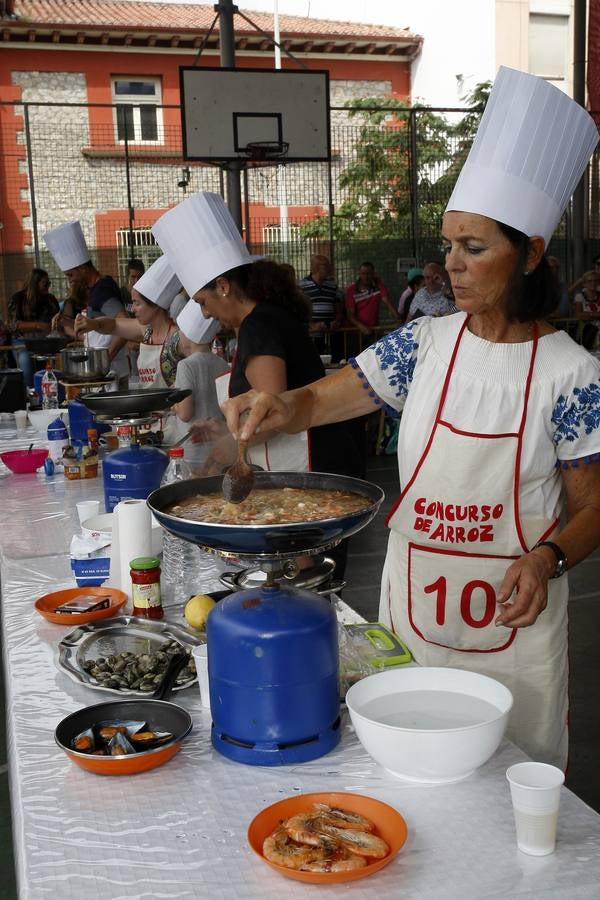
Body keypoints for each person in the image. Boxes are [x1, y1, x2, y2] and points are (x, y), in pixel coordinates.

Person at [220, 67, 600, 769]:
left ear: (533, 254)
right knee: (404, 764)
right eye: (450, 245)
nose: (451, 264)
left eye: (475, 247)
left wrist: (547, 559)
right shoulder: (423, 345)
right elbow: (317, 399)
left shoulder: (570, 374)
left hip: (514, 625)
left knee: (508, 777)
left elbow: (592, 508)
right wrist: (279, 404)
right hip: (415, 607)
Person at [152, 192, 365, 577]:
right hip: (316, 459)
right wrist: (219, 428)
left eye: (202, 300)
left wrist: (223, 451)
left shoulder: (259, 325)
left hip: (313, 463)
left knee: (307, 581)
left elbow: (271, 412)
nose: (204, 312)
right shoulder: (267, 318)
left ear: (223, 286)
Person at [73, 255, 198, 389]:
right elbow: (114, 324)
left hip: (172, 409)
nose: (132, 309)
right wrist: (92, 324)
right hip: (148, 408)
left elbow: (198, 370)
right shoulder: (145, 330)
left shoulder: (177, 338)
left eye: (137, 303)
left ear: (155, 305)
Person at [44, 221, 129, 378]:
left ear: (83, 269)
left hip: (112, 373)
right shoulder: (94, 289)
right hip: (106, 372)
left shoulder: (103, 290)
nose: (70, 281)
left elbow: (124, 325)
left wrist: (106, 359)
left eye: (71, 275)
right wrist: (65, 322)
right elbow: (97, 331)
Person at [8, 268, 59, 386]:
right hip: (23, 343)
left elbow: (57, 319)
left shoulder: (50, 299)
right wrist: (38, 325)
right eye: (45, 284)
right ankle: (30, 397)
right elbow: (13, 325)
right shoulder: (19, 298)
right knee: (27, 371)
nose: (48, 286)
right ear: (35, 283)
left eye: (49, 283)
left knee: (47, 375)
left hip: (45, 342)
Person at [298, 254, 345, 362]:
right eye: (326, 265)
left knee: (335, 362)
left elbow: (338, 304)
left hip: (331, 332)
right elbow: (300, 308)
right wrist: (312, 325)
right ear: (317, 267)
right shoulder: (303, 285)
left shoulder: (332, 285)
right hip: (313, 335)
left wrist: (337, 320)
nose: (329, 268)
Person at [345, 262, 400, 336]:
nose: (366, 277)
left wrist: (398, 319)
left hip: (373, 330)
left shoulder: (378, 284)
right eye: (363, 274)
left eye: (368, 273)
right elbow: (350, 315)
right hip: (356, 333)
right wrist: (360, 326)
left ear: (373, 274)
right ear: (359, 274)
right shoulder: (352, 290)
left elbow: (387, 301)